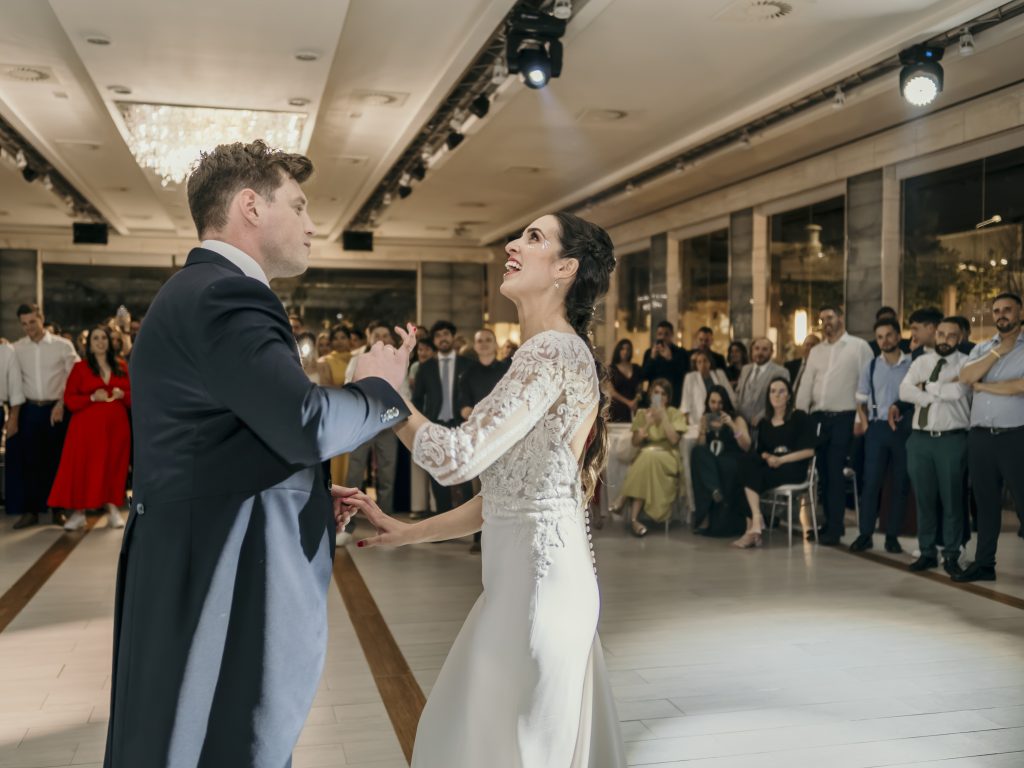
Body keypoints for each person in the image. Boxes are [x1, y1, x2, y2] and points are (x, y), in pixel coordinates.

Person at [103, 140, 410, 768]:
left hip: (199, 551)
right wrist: (382, 389)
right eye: (297, 206)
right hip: (217, 573)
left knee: (190, 739)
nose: (312, 223)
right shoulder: (227, 295)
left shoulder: (194, 290)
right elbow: (304, 421)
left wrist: (300, 490)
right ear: (250, 206)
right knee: (232, 743)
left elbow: (217, 436)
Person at [346, 212, 626, 767]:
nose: (512, 244)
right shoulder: (552, 352)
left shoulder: (550, 353)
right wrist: (406, 533)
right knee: (477, 737)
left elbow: (455, 458)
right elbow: (501, 498)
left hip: (536, 596)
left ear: (565, 269)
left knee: (491, 745)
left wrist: (382, 392)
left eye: (534, 237)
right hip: (530, 588)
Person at [956, 292, 1024, 583]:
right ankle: (984, 564)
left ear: (1020, 312)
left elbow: (1019, 386)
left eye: (1007, 309)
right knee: (985, 504)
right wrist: (998, 353)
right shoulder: (984, 348)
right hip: (981, 437)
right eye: (996, 311)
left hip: (1015, 436)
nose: (1001, 315)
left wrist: (985, 387)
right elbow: (966, 377)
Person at [795, 304, 873, 545]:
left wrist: (862, 418)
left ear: (841, 318)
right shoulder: (816, 351)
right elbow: (807, 383)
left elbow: (866, 384)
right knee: (823, 474)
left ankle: (836, 529)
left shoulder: (859, 347)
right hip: (819, 418)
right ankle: (828, 522)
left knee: (835, 472)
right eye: (822, 319)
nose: (826, 322)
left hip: (845, 417)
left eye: (830, 317)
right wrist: (800, 416)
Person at [899, 318, 971, 577]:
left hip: (952, 440)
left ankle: (952, 554)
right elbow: (904, 391)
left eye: (951, 336)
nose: (945, 339)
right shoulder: (922, 362)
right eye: (941, 334)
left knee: (952, 500)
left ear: (960, 339)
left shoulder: (967, 364)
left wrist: (925, 387)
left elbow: (958, 392)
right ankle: (927, 552)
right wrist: (935, 392)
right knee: (924, 499)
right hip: (920, 440)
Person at [47, 326, 131, 530]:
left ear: (110, 343)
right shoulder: (81, 368)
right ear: (89, 344)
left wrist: (123, 395)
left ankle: (111, 508)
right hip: (86, 429)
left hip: (116, 428)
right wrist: (92, 397)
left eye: (104, 338)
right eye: (96, 338)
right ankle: (79, 513)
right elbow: (70, 399)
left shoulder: (121, 366)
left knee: (112, 466)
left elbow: (134, 396)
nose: (100, 342)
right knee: (84, 468)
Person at [9, 303, 79, 529]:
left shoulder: (63, 345)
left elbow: (75, 377)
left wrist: (61, 403)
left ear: (42, 319)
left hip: (56, 410)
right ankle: (32, 512)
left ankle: (58, 510)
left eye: (32, 322)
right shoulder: (17, 348)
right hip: (30, 410)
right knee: (30, 461)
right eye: (24, 324)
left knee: (56, 461)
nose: (28, 327)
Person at [848, 318, 913, 554]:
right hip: (876, 429)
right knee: (871, 483)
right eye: (880, 337)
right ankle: (865, 534)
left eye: (888, 335)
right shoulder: (871, 366)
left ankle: (892, 536)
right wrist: (866, 425)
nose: (884, 340)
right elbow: (860, 400)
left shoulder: (911, 364)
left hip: (904, 431)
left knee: (900, 484)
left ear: (897, 336)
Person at [735, 377, 818, 548]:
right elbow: (762, 451)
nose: (777, 395)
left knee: (749, 476)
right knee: (746, 462)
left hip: (793, 467)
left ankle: (752, 528)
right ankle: (756, 521)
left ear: (789, 396)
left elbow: (809, 451)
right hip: (772, 466)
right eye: (773, 391)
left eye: (781, 391)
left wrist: (780, 459)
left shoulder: (799, 417)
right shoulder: (765, 422)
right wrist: (768, 457)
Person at [411, 319, 473, 517]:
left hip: (462, 425)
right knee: (438, 477)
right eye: (438, 336)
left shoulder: (468, 365)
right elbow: (417, 399)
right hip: (435, 425)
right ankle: (443, 524)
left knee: (465, 475)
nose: (442, 338)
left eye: (446, 334)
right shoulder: (425, 367)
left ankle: (472, 532)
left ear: (453, 337)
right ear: (435, 341)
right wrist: (423, 425)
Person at [457, 328, 512, 552]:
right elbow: (462, 407)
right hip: (479, 435)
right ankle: (479, 539)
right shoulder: (468, 373)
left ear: (495, 344)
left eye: (488, 340)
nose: (484, 344)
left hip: (505, 434)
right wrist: (480, 415)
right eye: (480, 341)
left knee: (506, 485)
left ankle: (505, 535)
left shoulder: (507, 370)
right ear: (475, 345)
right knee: (479, 489)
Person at [619, 378, 687, 536]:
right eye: (656, 393)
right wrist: (647, 424)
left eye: (663, 394)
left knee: (645, 457)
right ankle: (635, 521)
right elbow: (635, 441)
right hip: (648, 457)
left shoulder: (674, 413)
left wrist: (663, 416)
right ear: (650, 394)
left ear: (668, 398)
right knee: (646, 460)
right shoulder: (642, 413)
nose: (660, 396)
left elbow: (674, 439)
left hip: (668, 456)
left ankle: (622, 499)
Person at [691, 385, 751, 538]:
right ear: (708, 402)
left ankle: (713, 492)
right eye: (713, 402)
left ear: (726, 403)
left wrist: (731, 425)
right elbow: (702, 448)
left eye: (720, 403)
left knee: (718, 467)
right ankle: (714, 490)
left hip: (731, 460)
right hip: (712, 462)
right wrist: (703, 431)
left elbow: (746, 446)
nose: (716, 407)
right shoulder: (706, 418)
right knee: (697, 452)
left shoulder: (737, 418)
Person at [734, 337, 788, 426]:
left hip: (764, 424)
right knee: (737, 438)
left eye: (764, 349)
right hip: (741, 424)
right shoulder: (745, 369)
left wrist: (762, 416)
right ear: (752, 351)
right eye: (757, 348)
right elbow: (738, 393)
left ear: (771, 352)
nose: (759, 353)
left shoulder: (780, 372)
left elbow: (781, 400)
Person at [681, 349, 730, 436]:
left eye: (705, 361)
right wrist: (686, 425)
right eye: (699, 362)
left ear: (710, 362)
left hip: (718, 418)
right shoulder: (690, 377)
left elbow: (729, 395)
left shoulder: (719, 374)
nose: (702, 364)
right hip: (697, 421)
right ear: (695, 365)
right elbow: (685, 403)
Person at [641, 320, 689, 408]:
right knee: (656, 418)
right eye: (660, 334)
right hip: (655, 394)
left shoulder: (681, 352)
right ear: (656, 335)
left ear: (672, 335)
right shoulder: (649, 352)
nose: (663, 337)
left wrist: (670, 359)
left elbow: (683, 375)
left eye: (666, 334)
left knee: (672, 419)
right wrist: (652, 358)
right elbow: (643, 376)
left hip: (674, 395)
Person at [607, 339, 642, 423]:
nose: (625, 351)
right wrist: (628, 402)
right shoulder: (611, 368)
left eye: (628, 349)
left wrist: (635, 401)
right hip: (617, 408)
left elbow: (639, 389)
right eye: (622, 348)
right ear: (618, 350)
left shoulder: (636, 368)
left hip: (633, 408)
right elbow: (612, 392)